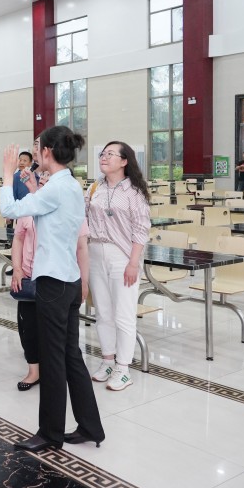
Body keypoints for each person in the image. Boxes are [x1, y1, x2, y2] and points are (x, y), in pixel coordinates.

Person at [0, 126, 105, 452]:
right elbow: (51, 219)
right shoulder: (69, 184)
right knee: (71, 356)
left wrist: (7, 175)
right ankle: (90, 426)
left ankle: (50, 434)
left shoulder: (57, 188)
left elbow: (9, 210)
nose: (35, 152)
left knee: (54, 359)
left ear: (47, 152)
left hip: (54, 283)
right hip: (69, 280)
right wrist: (34, 189)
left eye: (38, 148)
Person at [85, 141, 151, 392]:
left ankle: (123, 369)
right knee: (103, 312)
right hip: (95, 251)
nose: (104, 157)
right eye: (103, 154)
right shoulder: (95, 187)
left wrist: (134, 263)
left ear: (124, 161)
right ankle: (108, 361)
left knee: (123, 314)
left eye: (110, 154)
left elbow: (141, 230)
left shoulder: (134, 192)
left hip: (122, 256)